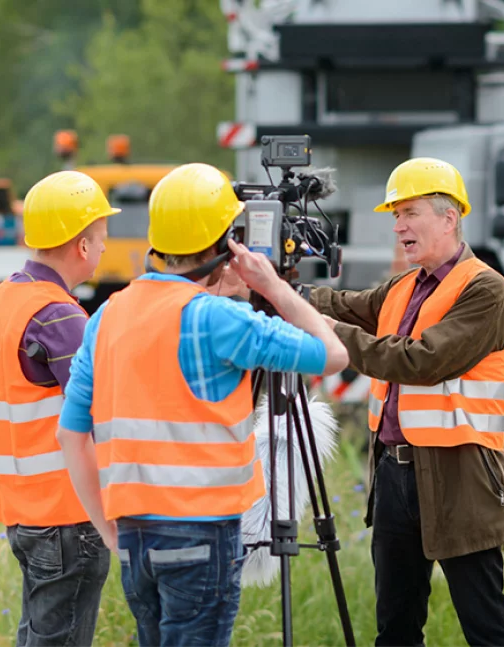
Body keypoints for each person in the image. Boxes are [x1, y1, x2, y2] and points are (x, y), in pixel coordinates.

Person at [56, 162, 349, 647]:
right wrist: (273, 287)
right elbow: (333, 354)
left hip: (133, 537)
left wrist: (109, 532)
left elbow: (70, 434)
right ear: (225, 244)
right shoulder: (219, 320)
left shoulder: (108, 314)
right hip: (202, 535)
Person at [308, 157, 504, 646]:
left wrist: (329, 330)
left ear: (449, 218)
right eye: (395, 215)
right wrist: (284, 292)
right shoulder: (404, 287)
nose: (398, 226)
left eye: (409, 213)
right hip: (393, 475)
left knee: (487, 629)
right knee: (396, 630)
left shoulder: (485, 290)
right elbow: (344, 306)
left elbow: (420, 361)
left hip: (461, 477)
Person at [0, 170, 117, 646]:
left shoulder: (4, 299)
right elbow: (104, 413)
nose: (104, 248)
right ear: (81, 245)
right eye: (101, 237)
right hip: (67, 516)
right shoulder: (59, 315)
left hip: (24, 511)